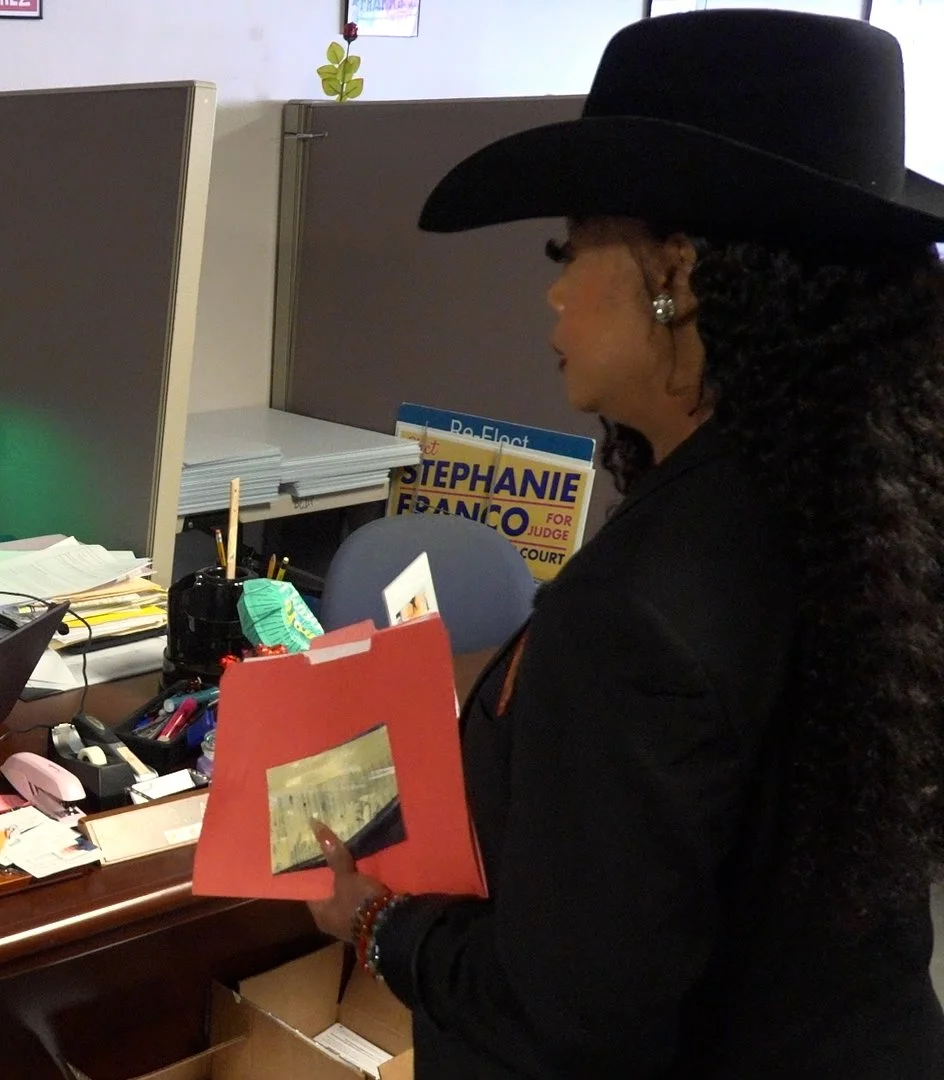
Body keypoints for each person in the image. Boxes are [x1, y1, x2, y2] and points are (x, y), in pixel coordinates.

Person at [303, 12, 944, 1077]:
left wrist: (379, 923)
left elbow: (568, 1024)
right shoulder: (868, 518)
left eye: (571, 249)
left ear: (677, 277)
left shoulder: (642, 609)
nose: (553, 290)